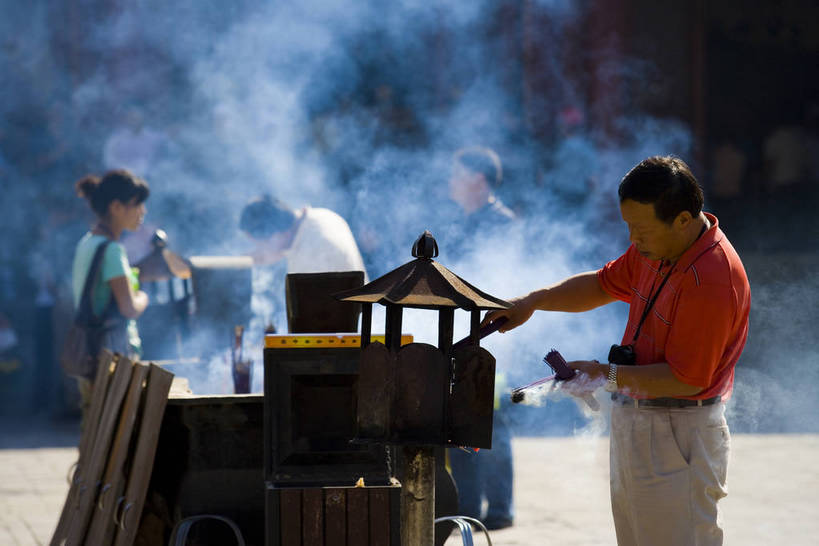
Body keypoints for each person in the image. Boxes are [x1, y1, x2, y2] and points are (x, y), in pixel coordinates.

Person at [483, 156, 750, 545]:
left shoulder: (711, 277)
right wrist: (533, 300)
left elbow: (687, 380)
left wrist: (605, 374)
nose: (633, 240)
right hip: (640, 421)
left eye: (640, 229)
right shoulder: (654, 249)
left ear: (682, 219)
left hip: (681, 431)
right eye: (629, 227)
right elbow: (600, 285)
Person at [445, 146, 516, 530]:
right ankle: (468, 508)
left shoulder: (501, 223)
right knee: (461, 426)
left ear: (478, 179)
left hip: (493, 341)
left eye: (457, 175)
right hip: (464, 338)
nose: (451, 183)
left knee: (492, 425)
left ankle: (501, 510)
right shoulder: (463, 221)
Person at [72, 170, 150, 419]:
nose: (142, 212)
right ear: (116, 207)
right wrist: (143, 297)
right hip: (113, 357)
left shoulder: (87, 242)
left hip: (90, 353)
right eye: (137, 204)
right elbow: (129, 308)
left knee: (93, 430)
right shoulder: (113, 250)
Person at [239, 194, 366, 276]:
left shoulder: (308, 256)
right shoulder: (324, 215)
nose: (260, 250)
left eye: (262, 244)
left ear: (279, 233)